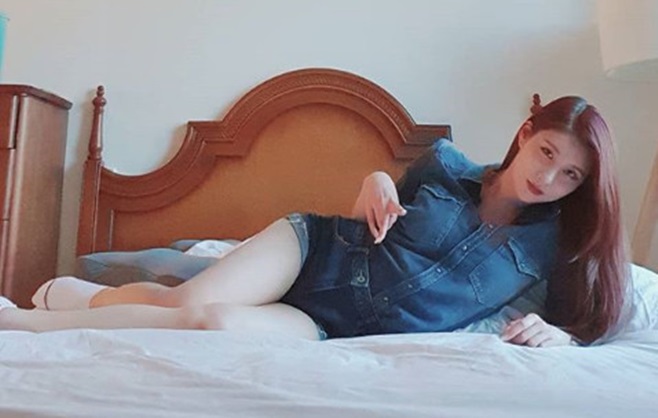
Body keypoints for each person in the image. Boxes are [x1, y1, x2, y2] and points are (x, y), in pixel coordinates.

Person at [0, 96, 628, 346]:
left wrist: (562, 336)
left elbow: (587, 318)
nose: (549, 177)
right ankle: (28, 322)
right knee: (185, 298)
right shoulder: (443, 163)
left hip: (336, 326)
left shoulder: (553, 244)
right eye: (547, 153)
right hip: (314, 250)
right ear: (525, 132)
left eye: (570, 175)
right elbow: (371, 217)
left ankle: (80, 295)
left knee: (209, 321)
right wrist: (375, 179)